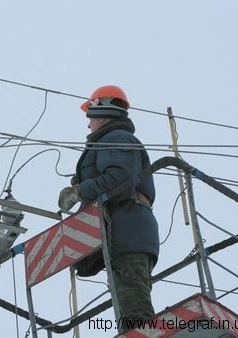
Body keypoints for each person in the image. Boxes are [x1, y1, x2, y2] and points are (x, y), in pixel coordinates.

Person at [58, 85, 159, 330]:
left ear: (101, 113)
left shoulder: (115, 138)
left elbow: (119, 179)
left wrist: (79, 191)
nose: (88, 125)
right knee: (127, 302)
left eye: (89, 118)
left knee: (134, 308)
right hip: (125, 231)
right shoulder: (113, 141)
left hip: (127, 231)